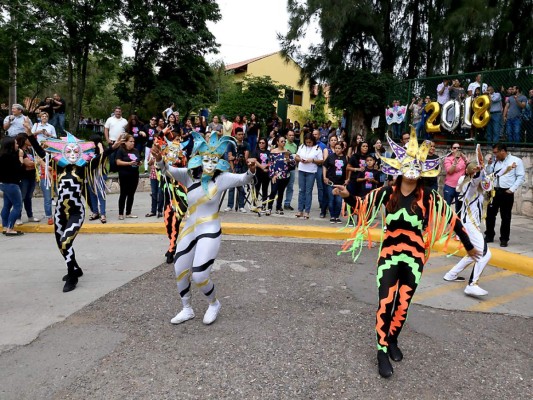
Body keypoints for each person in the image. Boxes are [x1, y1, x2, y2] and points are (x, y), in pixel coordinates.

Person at [333, 130, 478, 378]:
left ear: (422, 170)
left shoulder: (429, 197)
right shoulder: (386, 192)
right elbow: (361, 206)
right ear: (399, 167)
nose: (411, 169)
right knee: (385, 302)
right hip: (389, 257)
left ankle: (392, 340)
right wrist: (348, 197)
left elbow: (453, 220)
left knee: (403, 303)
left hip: (414, 260)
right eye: (407, 163)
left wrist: (469, 245)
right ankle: (381, 351)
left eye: (417, 164)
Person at [151, 133, 257, 325]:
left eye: (213, 159)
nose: (209, 163)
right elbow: (166, 169)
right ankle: (187, 308)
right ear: (198, 158)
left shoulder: (222, 178)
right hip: (190, 227)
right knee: (180, 269)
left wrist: (251, 170)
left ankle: (214, 303)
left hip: (210, 228)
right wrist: (159, 158)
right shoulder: (188, 175)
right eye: (205, 158)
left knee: (200, 274)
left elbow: (244, 179)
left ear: (219, 162)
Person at [27, 125, 121, 292]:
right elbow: (42, 154)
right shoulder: (59, 166)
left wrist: (112, 148)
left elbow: (101, 157)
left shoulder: (84, 167)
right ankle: (76, 267)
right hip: (60, 212)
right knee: (60, 244)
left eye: (75, 151)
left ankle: (72, 276)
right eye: (68, 151)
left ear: (80, 153)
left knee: (65, 241)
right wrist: (30, 135)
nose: (71, 153)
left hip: (76, 211)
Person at [444, 157, 493, 296]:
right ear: (472, 172)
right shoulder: (468, 185)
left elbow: (486, 183)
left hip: (473, 224)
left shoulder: (475, 186)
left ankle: (451, 274)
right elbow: (475, 181)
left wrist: (485, 170)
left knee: (474, 253)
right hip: (469, 224)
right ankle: (472, 284)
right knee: (485, 254)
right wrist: (479, 172)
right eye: (476, 171)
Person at [484, 143, 525, 247]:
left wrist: (512, 189)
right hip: (494, 191)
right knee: (490, 215)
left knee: (505, 217)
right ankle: (489, 235)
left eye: (496, 153)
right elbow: (489, 174)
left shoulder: (516, 161)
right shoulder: (494, 161)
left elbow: (520, 177)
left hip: (506, 192)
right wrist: (489, 164)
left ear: (503, 151)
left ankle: (504, 239)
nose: (494, 155)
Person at [0, 136, 25, 236]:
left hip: (3, 184)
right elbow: (19, 168)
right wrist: (20, 157)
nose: (17, 145)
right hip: (12, 184)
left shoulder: (2, 156)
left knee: (7, 205)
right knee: (17, 206)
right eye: (15, 143)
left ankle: (5, 226)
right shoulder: (12, 157)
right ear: (10, 146)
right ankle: (10, 228)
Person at [295, 133, 323, 219]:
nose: (308, 144)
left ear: (313, 141)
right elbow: (296, 156)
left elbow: (321, 161)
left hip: (311, 171)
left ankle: (307, 211)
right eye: (307, 142)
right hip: (302, 169)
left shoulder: (317, 148)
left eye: (310, 142)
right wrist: (300, 160)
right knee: (301, 190)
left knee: (308, 191)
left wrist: (312, 160)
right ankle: (300, 210)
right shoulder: (302, 147)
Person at [266, 135, 295, 215]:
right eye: (281, 141)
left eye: (284, 141)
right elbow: (271, 164)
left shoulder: (287, 151)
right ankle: (269, 208)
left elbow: (293, 163)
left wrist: (289, 160)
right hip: (276, 175)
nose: (283, 143)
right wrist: (272, 175)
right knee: (273, 191)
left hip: (285, 175)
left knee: (281, 192)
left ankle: (278, 207)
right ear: (277, 142)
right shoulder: (273, 152)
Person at [15, 135, 40, 225]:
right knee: (21, 197)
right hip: (23, 177)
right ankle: (18, 217)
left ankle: (30, 216)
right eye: (28, 139)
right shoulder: (20, 151)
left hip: (31, 176)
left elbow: (32, 163)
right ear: (24, 140)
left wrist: (35, 163)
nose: (30, 140)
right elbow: (28, 163)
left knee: (28, 197)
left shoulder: (30, 150)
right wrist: (37, 162)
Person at [115, 134, 141, 220]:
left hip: (134, 174)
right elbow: (118, 162)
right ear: (125, 142)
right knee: (123, 194)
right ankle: (120, 213)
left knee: (131, 194)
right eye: (130, 141)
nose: (132, 143)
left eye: (133, 141)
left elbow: (138, 159)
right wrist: (129, 163)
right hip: (124, 175)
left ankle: (128, 212)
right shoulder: (121, 150)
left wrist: (138, 163)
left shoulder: (136, 151)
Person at [224, 128, 250, 212]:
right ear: (235, 135)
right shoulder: (231, 144)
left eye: (242, 134)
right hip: (233, 167)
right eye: (239, 134)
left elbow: (245, 158)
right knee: (231, 187)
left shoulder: (246, 144)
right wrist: (232, 169)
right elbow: (229, 157)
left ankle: (241, 206)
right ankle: (229, 205)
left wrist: (235, 157)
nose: (241, 136)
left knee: (241, 187)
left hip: (242, 167)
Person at [323, 142, 348, 223]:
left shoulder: (346, 158)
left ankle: (337, 216)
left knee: (339, 200)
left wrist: (347, 179)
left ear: (342, 149)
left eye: (339, 148)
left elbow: (348, 169)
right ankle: (332, 216)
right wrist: (324, 177)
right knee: (331, 200)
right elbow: (324, 166)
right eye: (336, 148)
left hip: (340, 183)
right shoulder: (331, 157)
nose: (337, 150)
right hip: (331, 181)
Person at [443, 143, 468, 214]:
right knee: (446, 207)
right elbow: (450, 171)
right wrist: (455, 161)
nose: (457, 149)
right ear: (451, 149)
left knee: (459, 208)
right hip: (449, 186)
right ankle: (445, 223)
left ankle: (457, 223)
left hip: (460, 186)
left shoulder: (464, 159)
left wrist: (464, 157)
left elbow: (470, 167)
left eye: (458, 148)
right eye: (454, 148)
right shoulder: (448, 158)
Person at [252, 138, 270, 211]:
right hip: (258, 173)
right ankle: (255, 205)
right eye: (260, 142)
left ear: (266, 144)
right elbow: (254, 161)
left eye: (263, 143)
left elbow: (271, 161)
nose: (261, 144)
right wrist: (262, 167)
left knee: (265, 189)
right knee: (256, 189)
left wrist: (266, 167)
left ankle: (264, 205)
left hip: (266, 173)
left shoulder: (268, 152)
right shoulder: (256, 151)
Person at [283, 130, 298, 210]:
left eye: (293, 135)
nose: (291, 137)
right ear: (286, 136)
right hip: (283, 168)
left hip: (291, 168)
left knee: (290, 186)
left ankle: (287, 203)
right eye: (290, 135)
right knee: (281, 186)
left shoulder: (295, 145)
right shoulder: (283, 143)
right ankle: (279, 203)